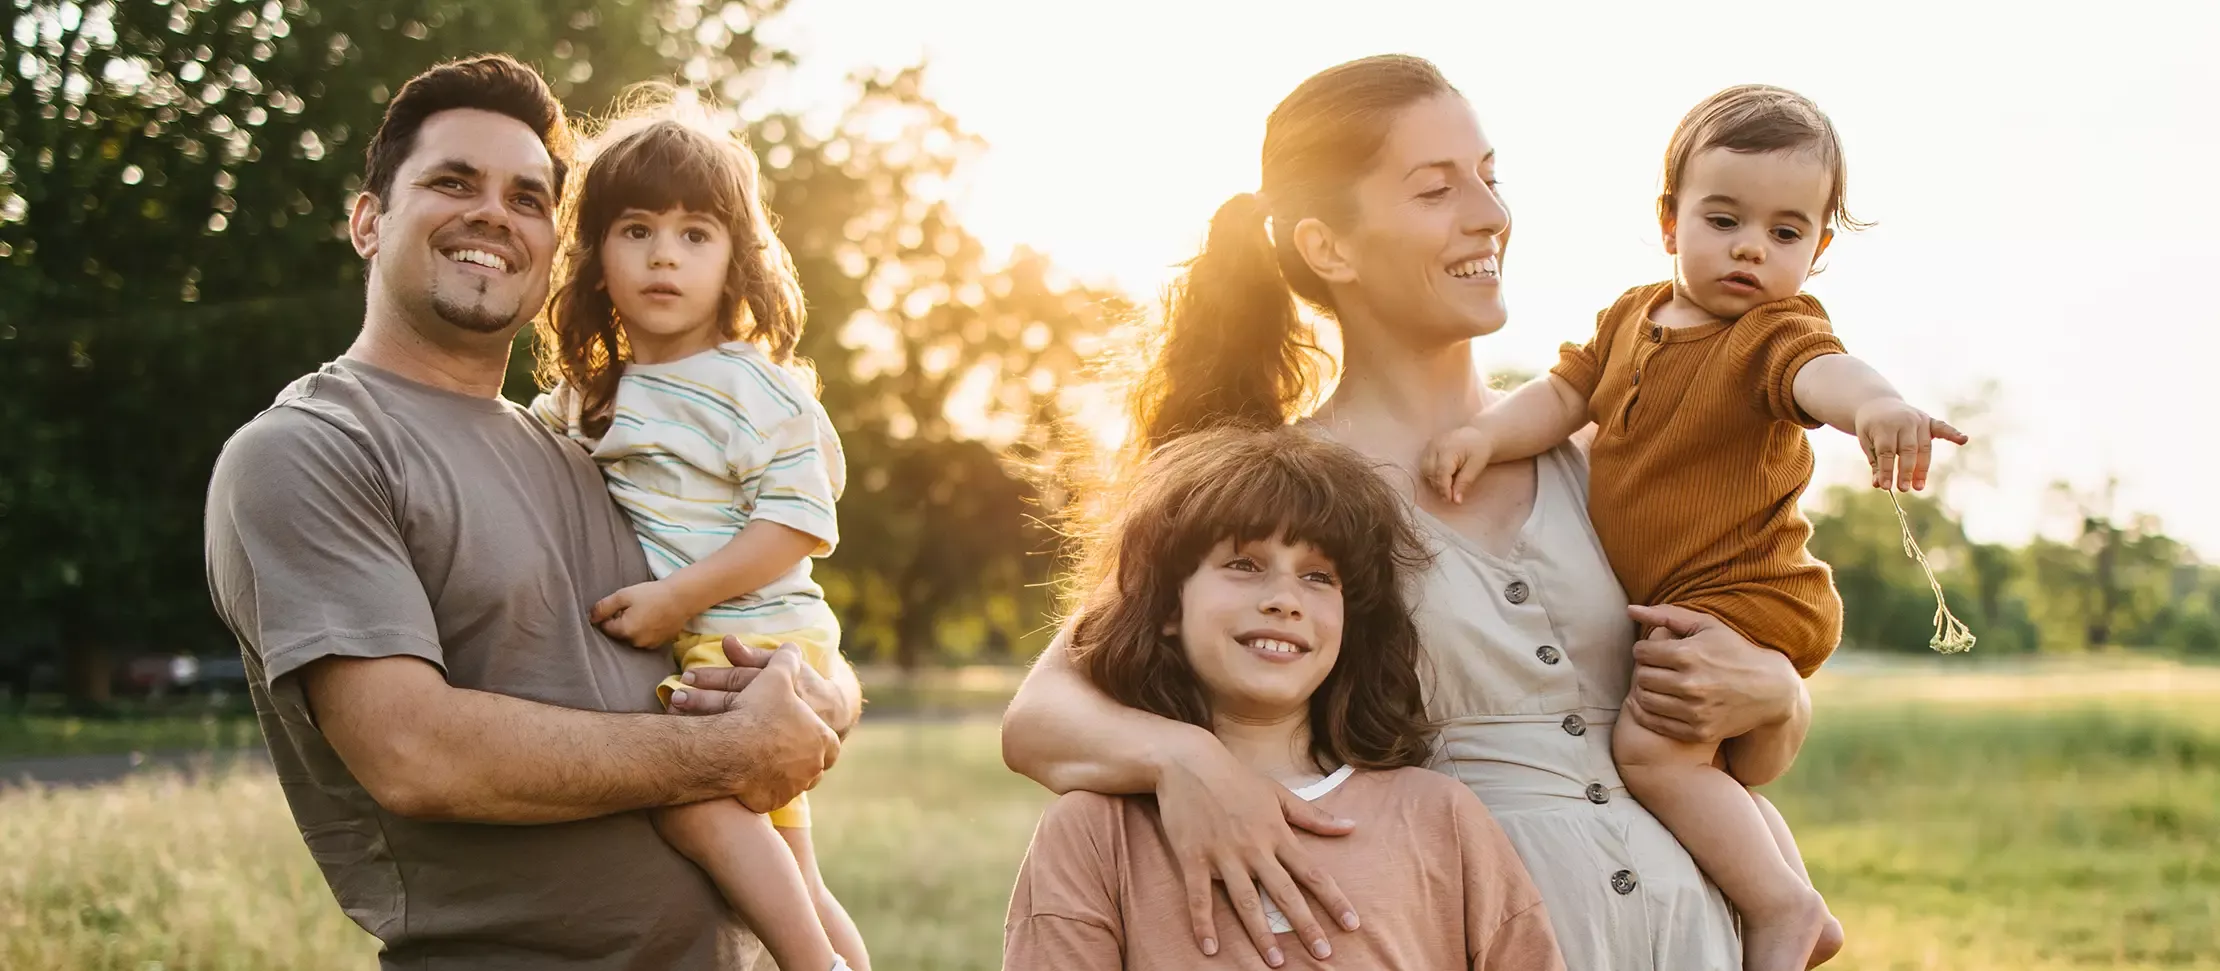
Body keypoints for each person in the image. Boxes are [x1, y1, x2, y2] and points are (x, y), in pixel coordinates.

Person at [1002, 54, 1821, 971]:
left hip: (1696, 935)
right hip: (1465, 933)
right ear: (1329, 248)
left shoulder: (1615, 454)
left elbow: (1743, 753)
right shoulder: (1278, 496)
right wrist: (1183, 762)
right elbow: (1039, 718)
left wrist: (1779, 699)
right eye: (1436, 190)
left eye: (1490, 176)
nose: (1490, 214)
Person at [202, 55, 858, 971]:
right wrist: (724, 754)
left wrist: (826, 697)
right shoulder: (310, 451)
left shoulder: (594, 438)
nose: (492, 215)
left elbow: (758, 594)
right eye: (452, 182)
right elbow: (414, 754)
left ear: (556, 247)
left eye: (528, 197)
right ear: (366, 221)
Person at [1419, 83, 1966, 970]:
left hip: (1744, 593)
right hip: (1693, 598)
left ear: (1817, 250)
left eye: (1786, 233)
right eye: (1725, 220)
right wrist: (1485, 432)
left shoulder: (1771, 334)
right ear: (1670, 222)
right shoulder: (1631, 316)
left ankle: (1782, 906)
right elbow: (1562, 397)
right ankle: (1792, 891)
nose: (1752, 247)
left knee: (1652, 751)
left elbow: (1825, 373)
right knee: (1696, 759)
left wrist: (1880, 406)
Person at [1002, 425, 1565, 970]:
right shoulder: (1093, 830)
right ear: (1170, 606)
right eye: (1244, 564)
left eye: (1319, 576)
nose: (1284, 599)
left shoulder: (1440, 817)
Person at [529, 105, 868, 971]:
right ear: (598, 259)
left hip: (759, 638)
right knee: (794, 865)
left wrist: (682, 596)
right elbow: (529, 445)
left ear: (736, 260)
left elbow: (797, 524)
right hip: (705, 638)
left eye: (695, 233)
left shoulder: (756, 388)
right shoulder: (595, 393)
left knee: (692, 804)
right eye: (636, 230)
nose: (664, 255)